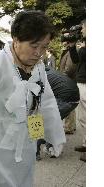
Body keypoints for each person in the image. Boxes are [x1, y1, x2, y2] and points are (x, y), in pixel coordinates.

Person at [0, 10, 66, 187]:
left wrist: (55, 136)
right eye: (34, 46)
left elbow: (47, 102)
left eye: (44, 47)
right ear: (16, 39)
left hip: (26, 143)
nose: (39, 53)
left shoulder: (39, 68)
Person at [36, 66, 80, 160]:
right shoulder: (52, 72)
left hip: (64, 100)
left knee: (39, 122)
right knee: (53, 124)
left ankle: (35, 151)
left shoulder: (39, 77)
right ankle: (51, 148)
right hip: (75, 100)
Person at [68, 19, 86, 162]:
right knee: (82, 118)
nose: (82, 29)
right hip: (81, 82)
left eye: (84, 27)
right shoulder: (84, 44)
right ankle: (86, 144)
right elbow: (76, 61)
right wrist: (72, 46)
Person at [60, 41, 77, 134]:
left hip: (67, 80)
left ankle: (69, 127)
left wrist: (62, 77)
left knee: (69, 104)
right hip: (68, 80)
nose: (63, 43)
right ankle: (71, 125)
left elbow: (70, 68)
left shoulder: (70, 52)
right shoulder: (67, 52)